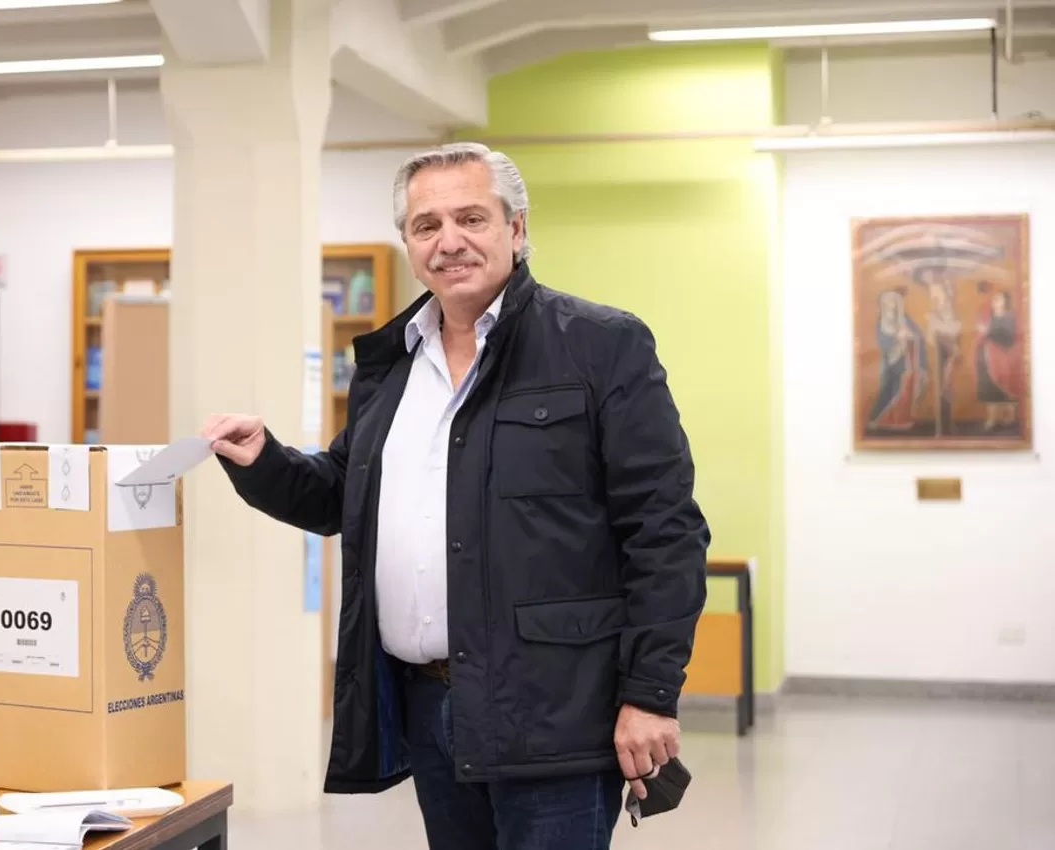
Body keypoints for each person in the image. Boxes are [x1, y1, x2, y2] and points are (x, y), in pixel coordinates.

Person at [203, 142, 709, 850]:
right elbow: (344, 497)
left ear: (517, 229)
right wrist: (264, 461)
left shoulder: (600, 347)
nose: (449, 242)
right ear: (408, 244)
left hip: (556, 710)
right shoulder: (392, 367)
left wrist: (650, 694)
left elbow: (665, 531)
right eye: (426, 225)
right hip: (431, 705)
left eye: (471, 217)